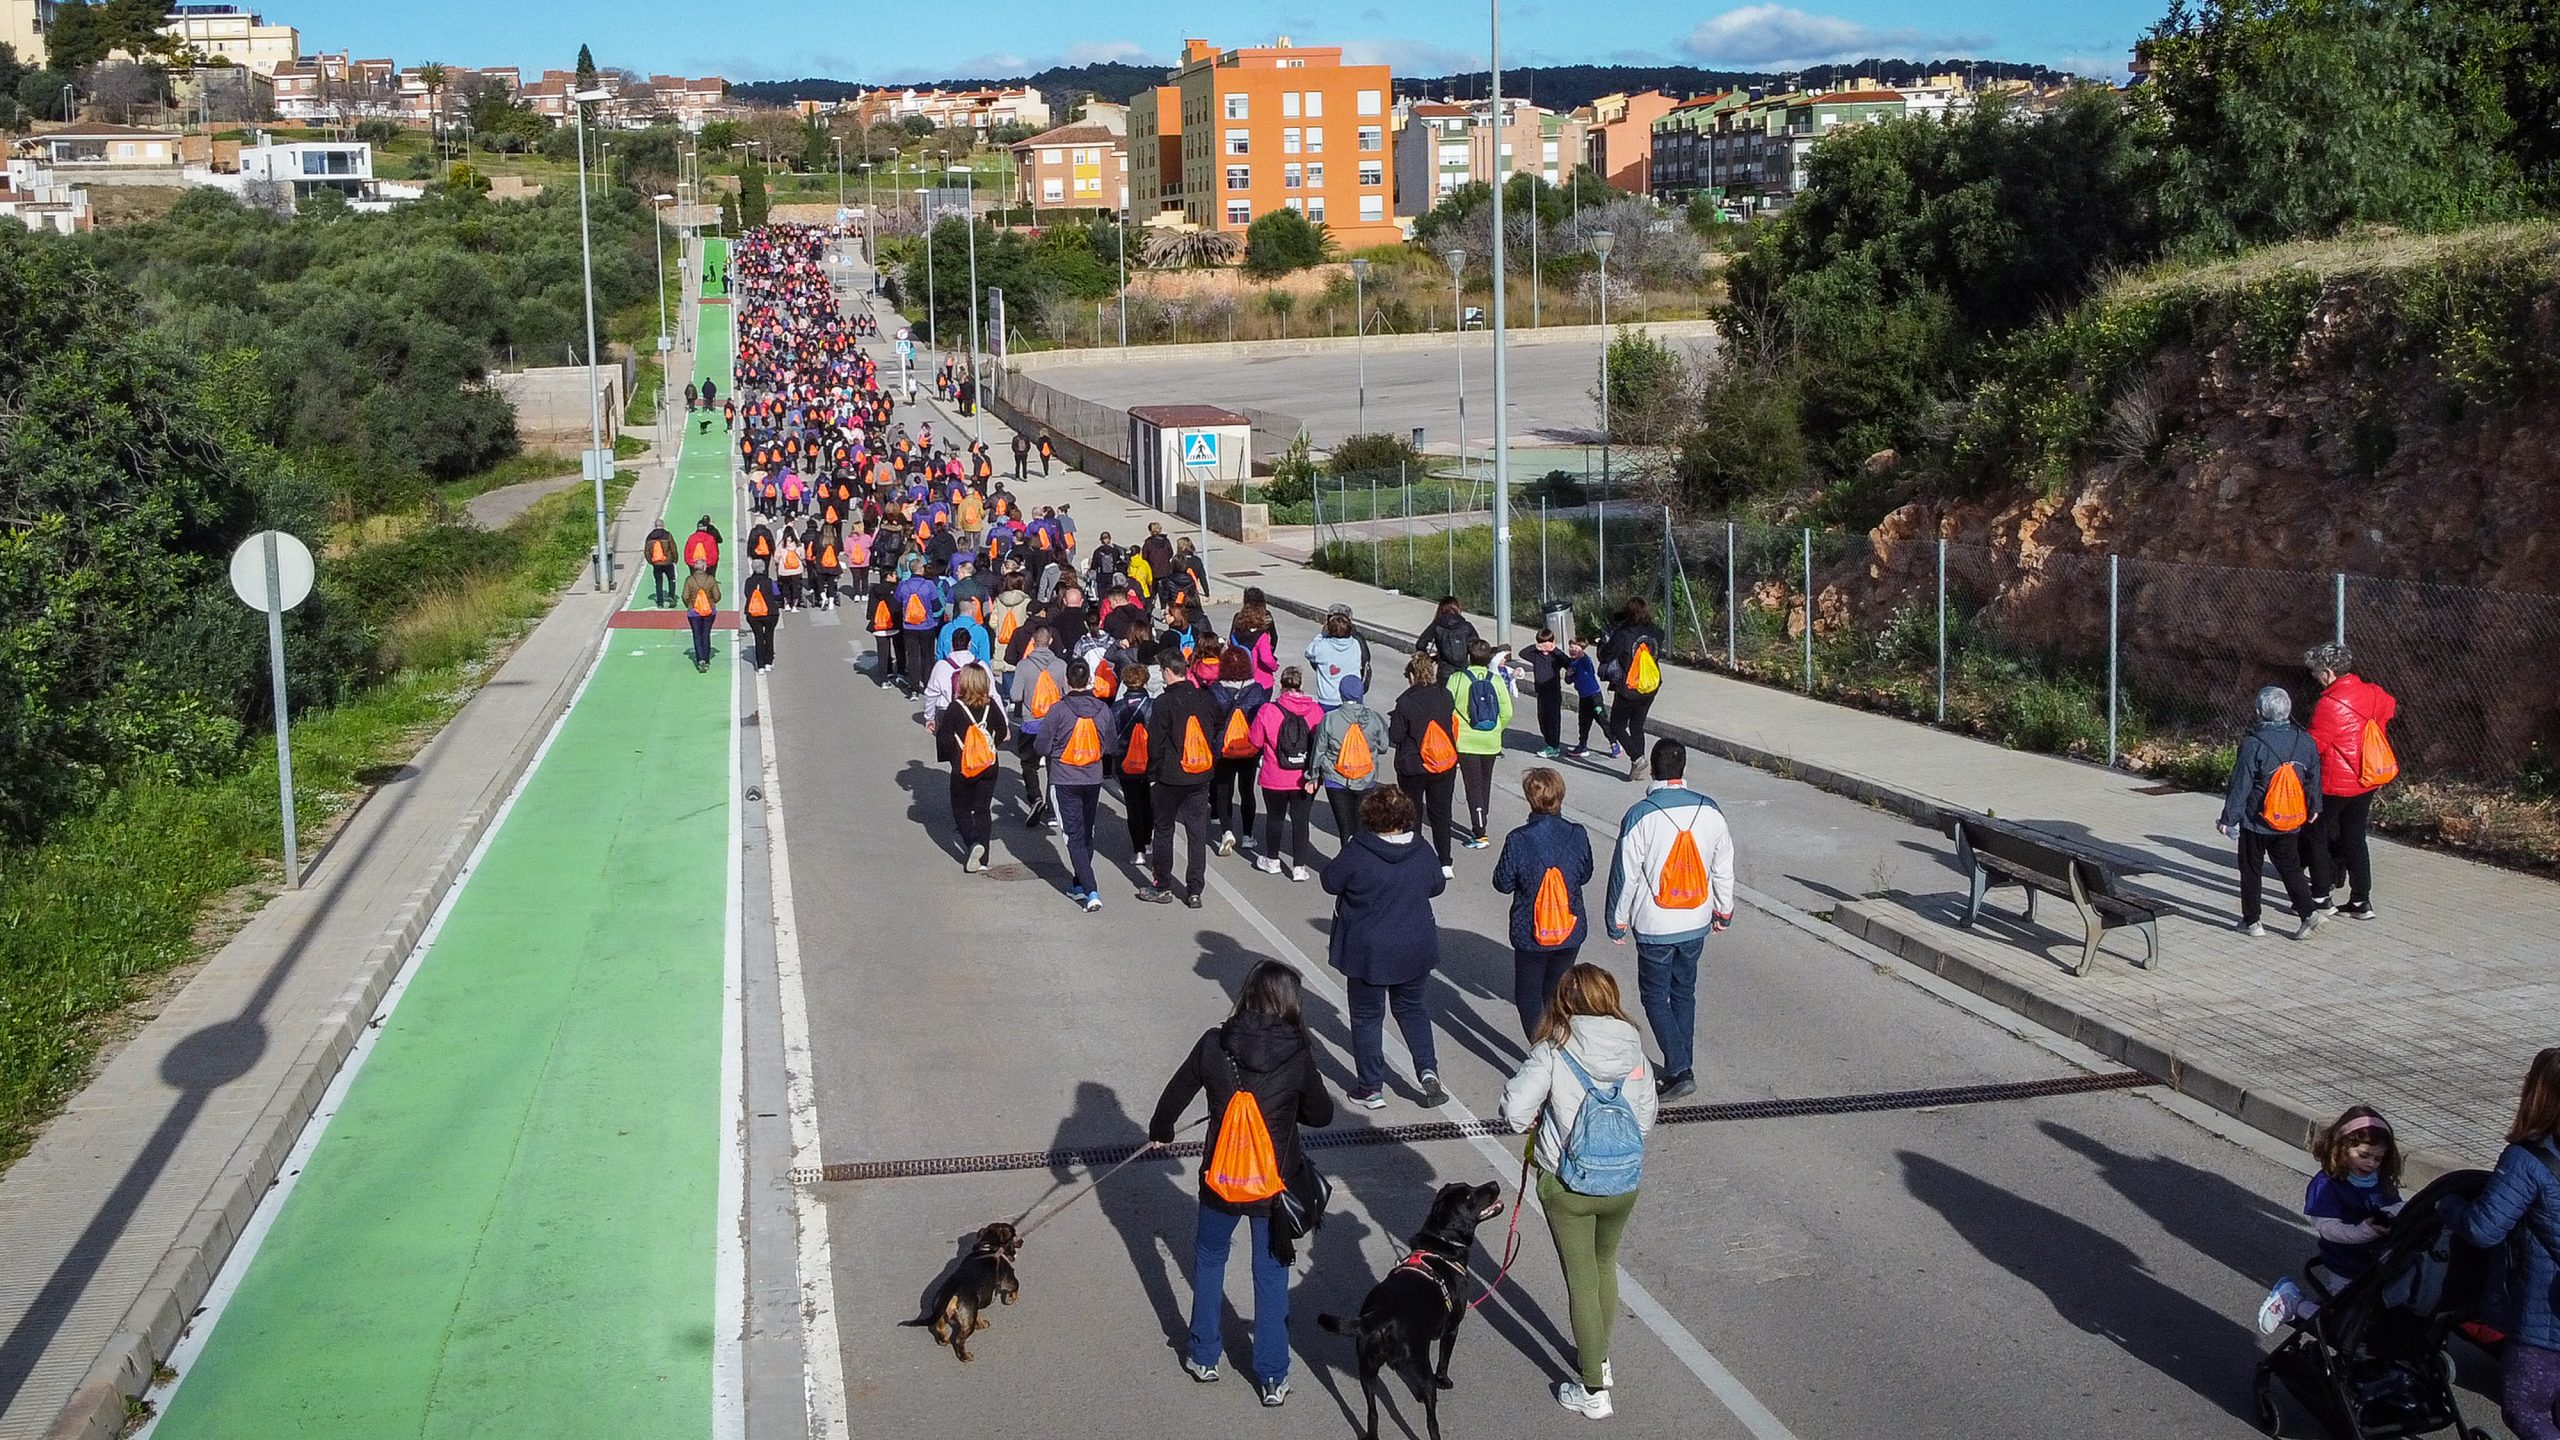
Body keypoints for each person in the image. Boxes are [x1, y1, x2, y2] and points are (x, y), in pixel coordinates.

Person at [1148, 960, 1333, 1408]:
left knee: (1209, 1262)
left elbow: (1173, 1096)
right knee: (1270, 1276)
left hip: (1221, 1179)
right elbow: (1321, 1115)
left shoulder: (1216, 1044)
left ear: (1246, 993)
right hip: (1275, 1188)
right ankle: (1272, 1375)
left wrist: (1162, 1131)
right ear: (1291, 1002)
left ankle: (1203, 1355)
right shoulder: (1298, 1051)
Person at [1498, 963, 1658, 1421]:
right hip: (1623, 1182)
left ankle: (1592, 1390)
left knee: (1580, 1279)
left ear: (1564, 1002)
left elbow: (1514, 1112)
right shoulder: (1634, 1050)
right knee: (1605, 1265)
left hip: (1568, 1183)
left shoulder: (1553, 1049)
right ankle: (1600, 1359)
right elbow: (1645, 1118)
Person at [1603, 740, 1733, 1101]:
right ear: (1683, 768)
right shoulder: (1711, 810)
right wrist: (1724, 911)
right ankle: (1682, 1063)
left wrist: (1616, 921)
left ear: (1654, 771)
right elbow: (1723, 868)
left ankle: (1679, 1067)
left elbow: (1625, 875)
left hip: (1654, 924)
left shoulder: (1640, 815)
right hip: (1696, 920)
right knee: (1684, 992)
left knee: (1655, 996)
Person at [2448, 1047, 2560, 1440]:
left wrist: (2449, 1206)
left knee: (2525, 1411)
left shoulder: (2527, 1161)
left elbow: (2484, 1228)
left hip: (2543, 1320)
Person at [1320, 784, 1448, 1110]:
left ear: (1368, 817)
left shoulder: (1358, 849)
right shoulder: (1420, 849)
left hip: (1368, 950)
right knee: (1413, 1009)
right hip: (1414, 945)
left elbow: (1330, 881)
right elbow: (1436, 885)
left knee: (1367, 1018)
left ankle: (1371, 1088)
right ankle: (1428, 1071)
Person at [2255, 1106, 2405, 1333]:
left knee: (2371, 1312)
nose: (2371, 1164)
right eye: (2363, 1155)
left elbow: (2393, 1204)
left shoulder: (2380, 1180)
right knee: (2341, 1318)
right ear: (2341, 1148)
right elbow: (2329, 1229)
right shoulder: (2327, 1184)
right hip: (2344, 1259)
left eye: (2378, 1158)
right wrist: (2365, 1231)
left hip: (2377, 1259)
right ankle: (2291, 1303)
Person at [1492, 768, 1594, 1037]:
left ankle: (1543, 1050)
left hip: (1530, 931)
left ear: (1530, 798)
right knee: (1557, 991)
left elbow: (1502, 883)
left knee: (1528, 995)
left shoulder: (1518, 839)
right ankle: (1561, 1042)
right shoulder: (1577, 833)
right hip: (1569, 928)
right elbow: (1585, 874)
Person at [2218, 685, 2325, 940]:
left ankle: (2252, 921)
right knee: (2290, 867)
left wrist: (2228, 818)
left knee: (2251, 869)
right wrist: (2315, 806)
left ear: (2259, 712)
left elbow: (2241, 783)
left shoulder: (2253, 743)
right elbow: (2313, 778)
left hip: (2256, 819)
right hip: (2290, 818)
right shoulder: (2304, 740)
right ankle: (2309, 913)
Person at [2303, 643, 2398, 921]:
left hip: (2336, 782)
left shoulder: (2329, 704)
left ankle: (2321, 895)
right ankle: (2361, 900)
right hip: (2367, 777)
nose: (2315, 678)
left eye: (2317, 673)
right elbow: (2390, 708)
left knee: (2316, 834)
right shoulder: (2374, 692)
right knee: (2354, 837)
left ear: (2329, 673)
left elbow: (2314, 745)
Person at [1138, 647, 1221, 908]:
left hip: (1169, 777)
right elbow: (1219, 727)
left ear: (1166, 672)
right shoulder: (1205, 698)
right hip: (1200, 775)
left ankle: (1163, 885)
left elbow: (1154, 745)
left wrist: (1152, 774)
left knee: (1164, 830)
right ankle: (1195, 890)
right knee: (1197, 833)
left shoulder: (1163, 702)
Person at [1038, 658, 1119, 913]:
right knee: (1086, 832)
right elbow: (1112, 746)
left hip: (1064, 778)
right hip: (1092, 778)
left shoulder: (1058, 710)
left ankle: (1090, 888)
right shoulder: (1103, 710)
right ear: (1089, 681)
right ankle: (1078, 882)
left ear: (1066, 681)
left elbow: (1041, 746)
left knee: (1072, 835)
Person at [1388, 652, 1461, 877]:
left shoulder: (1405, 701)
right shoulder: (1445, 695)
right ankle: (1445, 861)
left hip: (1413, 766)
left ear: (1412, 674)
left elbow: (1397, 736)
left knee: (1413, 812)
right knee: (1441, 814)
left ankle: (1414, 858)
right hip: (1443, 763)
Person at [1249, 667, 1326, 880]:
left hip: (1275, 775)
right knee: (1301, 820)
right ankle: (1299, 867)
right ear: (1301, 686)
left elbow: (1255, 741)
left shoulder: (1268, 710)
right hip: (1305, 777)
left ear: (1281, 686)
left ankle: (1272, 860)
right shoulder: (1316, 710)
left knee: (1275, 818)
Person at [935, 665, 1011, 873]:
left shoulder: (955, 708)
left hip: (964, 765)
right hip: (988, 765)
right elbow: (1003, 730)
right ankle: (983, 858)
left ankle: (973, 842)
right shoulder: (991, 705)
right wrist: (989, 745)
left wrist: (954, 758)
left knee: (960, 808)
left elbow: (944, 738)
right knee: (982, 809)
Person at [1447, 639, 1513, 848]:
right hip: (1491, 742)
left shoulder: (1457, 678)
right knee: (1485, 784)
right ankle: (1482, 817)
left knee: (1472, 786)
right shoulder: (1496, 680)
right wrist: (1496, 730)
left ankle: (1479, 831)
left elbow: (1446, 709)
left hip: (1466, 742)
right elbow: (1507, 712)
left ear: (1469, 656)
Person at [1313, 675, 1388, 845]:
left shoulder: (1330, 718)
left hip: (1336, 779)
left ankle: (1347, 864)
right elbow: (1383, 747)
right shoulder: (1374, 718)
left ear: (1341, 693)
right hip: (1366, 779)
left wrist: (1313, 774)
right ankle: (1361, 865)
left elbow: (1319, 750)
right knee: (1363, 829)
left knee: (1345, 829)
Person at [1599, 600, 1668, 781]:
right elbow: (1660, 635)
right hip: (1650, 686)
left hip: (1629, 688)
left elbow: (1606, 655)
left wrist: (1605, 639)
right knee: (1637, 725)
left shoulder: (1623, 634)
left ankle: (1637, 759)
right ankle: (1638, 767)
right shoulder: (1654, 632)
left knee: (1617, 725)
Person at [1210, 649, 1266, 858]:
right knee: (1247, 790)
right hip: (1249, 747)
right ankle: (1248, 835)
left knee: (1223, 791)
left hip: (1223, 748)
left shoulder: (1215, 690)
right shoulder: (1257, 690)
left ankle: (1227, 831)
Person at [1111, 659, 1157, 864]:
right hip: (1149, 761)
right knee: (1148, 802)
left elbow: (1111, 735)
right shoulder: (1153, 706)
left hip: (1124, 761)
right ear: (1145, 682)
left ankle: (1138, 850)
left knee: (1132, 805)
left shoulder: (1118, 707)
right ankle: (1148, 840)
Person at [1303, 603, 1371, 710]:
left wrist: (1322, 634)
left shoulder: (1322, 646)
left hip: (1328, 698)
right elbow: (1365, 663)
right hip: (1352, 697)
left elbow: (1309, 652)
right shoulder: (1355, 643)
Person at [1520, 629, 1569, 758]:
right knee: (1543, 719)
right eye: (1542, 643)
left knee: (1553, 719)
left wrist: (1555, 650)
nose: (1545, 646)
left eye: (1548, 643)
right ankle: (1548, 741)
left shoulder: (1555, 656)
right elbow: (1522, 653)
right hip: (1541, 692)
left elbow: (1568, 662)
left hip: (1553, 692)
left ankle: (1554, 746)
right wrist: (1536, 647)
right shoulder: (1536, 655)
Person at [1414, 597, 1480, 683]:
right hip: (1463, 671)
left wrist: (1430, 657)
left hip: (1444, 671)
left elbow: (1420, 644)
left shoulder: (1436, 625)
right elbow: (1477, 646)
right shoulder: (1467, 626)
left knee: (1444, 694)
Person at [1567, 638, 1611, 758]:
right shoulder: (1572, 663)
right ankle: (1582, 745)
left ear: (1582, 649)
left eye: (1575, 648)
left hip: (1594, 696)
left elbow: (1584, 659)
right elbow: (1568, 680)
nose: (1572, 650)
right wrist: (1569, 675)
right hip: (1583, 697)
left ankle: (1614, 742)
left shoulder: (1585, 660)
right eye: (1571, 647)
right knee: (1583, 722)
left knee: (1601, 719)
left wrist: (1581, 652)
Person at [740, 563, 781, 674]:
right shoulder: (769, 581)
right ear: (764, 569)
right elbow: (777, 594)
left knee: (758, 637)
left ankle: (760, 665)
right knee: (769, 635)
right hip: (770, 613)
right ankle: (769, 662)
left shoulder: (748, 582)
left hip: (753, 613)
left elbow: (746, 594)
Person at [679, 563, 720, 672]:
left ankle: (700, 659)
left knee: (697, 635)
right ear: (705, 567)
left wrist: (690, 605)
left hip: (694, 611)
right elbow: (717, 596)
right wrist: (710, 602)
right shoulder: (710, 579)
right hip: (709, 611)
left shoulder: (690, 580)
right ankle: (706, 659)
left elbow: (685, 596)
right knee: (706, 634)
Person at [644, 523, 679, 607]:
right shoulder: (668, 535)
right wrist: (675, 559)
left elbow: (647, 552)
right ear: (663, 525)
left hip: (656, 564)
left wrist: (651, 562)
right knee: (671, 579)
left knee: (658, 582)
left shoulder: (649, 537)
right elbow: (673, 548)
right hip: (668, 562)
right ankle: (671, 596)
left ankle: (660, 602)